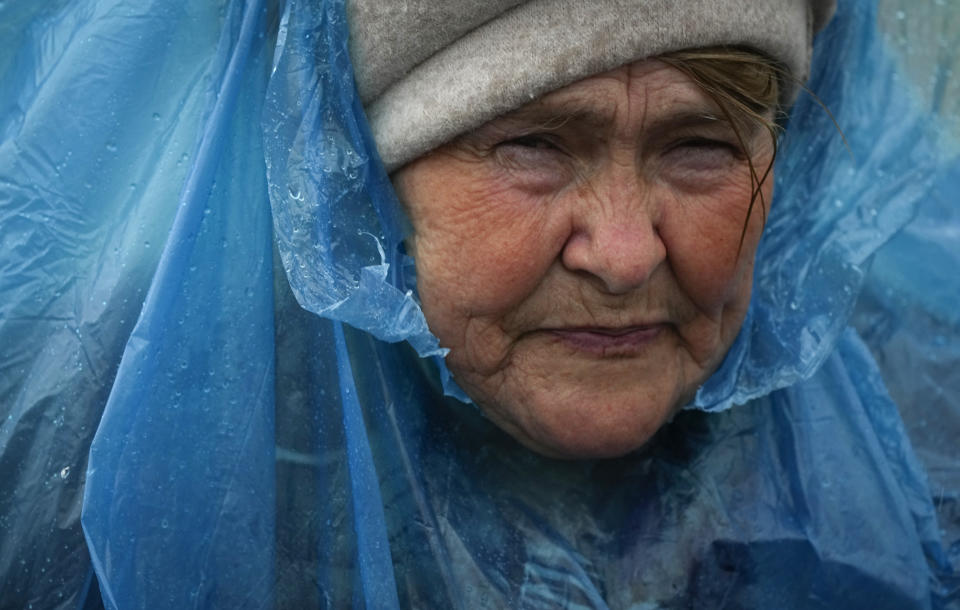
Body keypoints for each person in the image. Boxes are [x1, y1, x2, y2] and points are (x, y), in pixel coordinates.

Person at [1, 0, 957, 608]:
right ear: (349, 186)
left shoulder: (917, 450)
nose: (625, 255)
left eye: (699, 146)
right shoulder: (107, 500)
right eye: (534, 146)